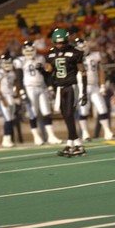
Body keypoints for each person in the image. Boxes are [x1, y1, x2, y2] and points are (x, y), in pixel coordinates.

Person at [45, 28, 87, 157]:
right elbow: (49, 70)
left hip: (71, 86)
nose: (60, 45)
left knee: (69, 115)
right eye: (58, 43)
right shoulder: (51, 54)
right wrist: (43, 72)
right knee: (66, 116)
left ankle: (73, 144)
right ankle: (75, 144)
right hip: (60, 88)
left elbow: (83, 72)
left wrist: (84, 91)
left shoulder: (75, 53)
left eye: (62, 43)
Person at [13, 40, 62, 145]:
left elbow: (45, 74)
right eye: (28, 50)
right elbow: (19, 77)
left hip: (42, 87)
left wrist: (49, 86)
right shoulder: (20, 61)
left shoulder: (40, 58)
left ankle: (51, 136)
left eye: (32, 50)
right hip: (29, 88)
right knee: (32, 113)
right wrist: (21, 90)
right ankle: (36, 136)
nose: (30, 52)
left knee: (46, 112)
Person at [74, 38, 115, 141]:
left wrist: (102, 85)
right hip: (81, 86)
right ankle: (85, 133)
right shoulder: (75, 58)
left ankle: (107, 132)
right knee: (84, 111)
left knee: (102, 108)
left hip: (94, 86)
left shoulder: (95, 56)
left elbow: (101, 71)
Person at [0, 53, 16, 148]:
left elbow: (13, 85)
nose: (7, 64)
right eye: (6, 63)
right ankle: (6, 139)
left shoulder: (11, 73)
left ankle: (9, 139)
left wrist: (15, 91)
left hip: (10, 96)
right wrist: (2, 99)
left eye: (9, 63)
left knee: (11, 118)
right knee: (8, 119)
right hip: (4, 96)